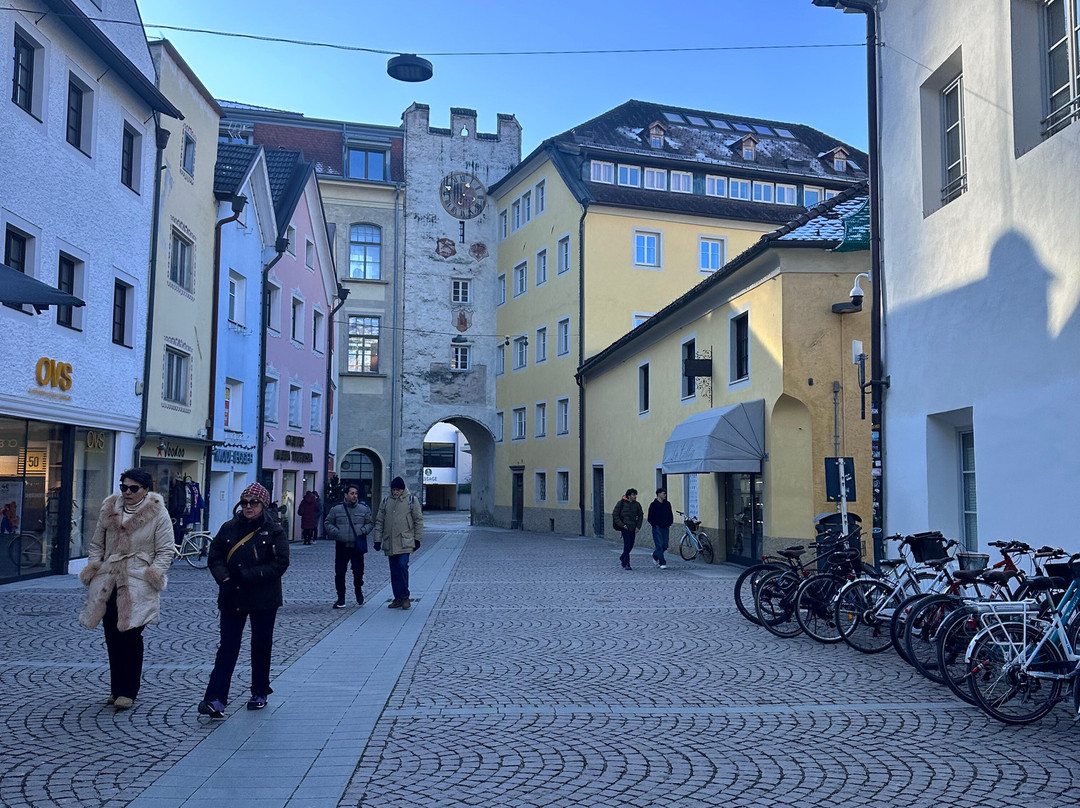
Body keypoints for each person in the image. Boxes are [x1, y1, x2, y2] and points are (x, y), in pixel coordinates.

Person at [78, 468, 174, 711]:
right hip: (108, 579)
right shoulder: (109, 507)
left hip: (137, 580)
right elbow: (96, 543)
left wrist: (153, 572)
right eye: (124, 487)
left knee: (131, 635)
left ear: (145, 490)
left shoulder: (158, 514)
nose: (127, 492)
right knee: (111, 636)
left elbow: (165, 550)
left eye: (133, 488)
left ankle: (129, 691)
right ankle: (115, 688)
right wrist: (95, 566)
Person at [198, 482, 289, 718]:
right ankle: (215, 698)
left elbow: (280, 563)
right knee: (228, 647)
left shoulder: (274, 530)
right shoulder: (229, 528)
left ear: (263, 504)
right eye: (245, 502)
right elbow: (215, 556)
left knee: (261, 645)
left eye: (254, 502)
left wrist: (248, 575)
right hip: (232, 594)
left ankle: (259, 691)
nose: (248, 506)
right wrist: (225, 579)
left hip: (263, 597)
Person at [374, 476, 423, 610]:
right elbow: (379, 521)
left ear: (403, 490)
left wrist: (417, 539)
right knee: (394, 571)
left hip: (405, 541)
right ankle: (397, 598)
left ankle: (405, 596)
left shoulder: (412, 500)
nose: (396, 492)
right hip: (390, 541)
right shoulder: (385, 501)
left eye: (398, 490)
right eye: (394, 490)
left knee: (402, 566)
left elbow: (418, 520)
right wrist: (377, 540)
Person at [324, 484, 374, 608]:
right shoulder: (336, 509)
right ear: (345, 495)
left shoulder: (363, 509)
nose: (354, 496)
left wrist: (363, 530)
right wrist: (336, 532)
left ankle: (358, 590)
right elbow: (328, 522)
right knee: (340, 572)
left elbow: (370, 523)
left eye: (356, 493)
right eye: (351, 493)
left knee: (358, 571)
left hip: (357, 546)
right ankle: (341, 597)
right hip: (342, 545)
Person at [612, 488, 643, 571]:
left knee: (631, 545)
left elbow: (640, 516)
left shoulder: (637, 505)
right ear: (629, 495)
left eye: (635, 495)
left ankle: (623, 557)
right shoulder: (621, 503)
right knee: (627, 545)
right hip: (625, 528)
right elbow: (615, 515)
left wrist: (638, 526)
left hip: (633, 527)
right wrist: (622, 525)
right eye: (633, 495)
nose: (635, 496)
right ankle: (626, 563)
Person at [647, 487, 674, 569]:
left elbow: (670, 514)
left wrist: (669, 522)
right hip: (657, 526)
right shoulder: (653, 505)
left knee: (665, 545)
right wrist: (654, 524)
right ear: (659, 494)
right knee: (659, 544)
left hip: (665, 526)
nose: (665, 495)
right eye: (663, 493)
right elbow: (650, 517)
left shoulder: (667, 504)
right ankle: (662, 562)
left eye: (665, 493)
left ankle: (655, 555)